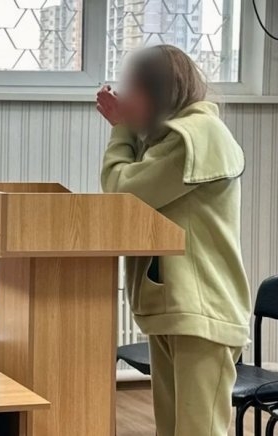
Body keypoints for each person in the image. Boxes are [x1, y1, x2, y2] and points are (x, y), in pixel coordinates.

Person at [97, 45, 250, 436]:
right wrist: (131, 128)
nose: (125, 98)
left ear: (160, 91)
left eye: (133, 89)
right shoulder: (172, 138)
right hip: (177, 307)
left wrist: (122, 129)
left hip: (201, 309)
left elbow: (122, 192)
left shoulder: (195, 135)